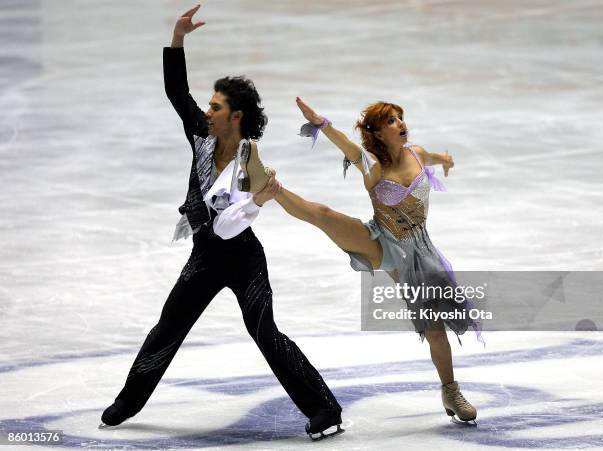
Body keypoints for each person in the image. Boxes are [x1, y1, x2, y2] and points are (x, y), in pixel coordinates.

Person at [100, 6, 343, 440]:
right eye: (209, 105)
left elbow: (231, 223)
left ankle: (325, 409)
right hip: (205, 255)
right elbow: (177, 92)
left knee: (264, 332)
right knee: (169, 326)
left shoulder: (251, 161)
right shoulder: (201, 134)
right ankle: (127, 402)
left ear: (236, 117)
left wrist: (259, 201)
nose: (207, 111)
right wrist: (176, 39)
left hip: (243, 258)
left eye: (216, 107)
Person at [272, 97, 480, 423]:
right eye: (391, 120)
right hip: (382, 242)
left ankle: (450, 391)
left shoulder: (416, 153)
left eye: (400, 117)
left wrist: (446, 159)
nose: (400, 123)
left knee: (435, 329)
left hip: (420, 252)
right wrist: (323, 124)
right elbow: (350, 150)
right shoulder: (374, 166)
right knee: (324, 215)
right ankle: (273, 189)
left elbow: (436, 157)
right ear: (379, 133)